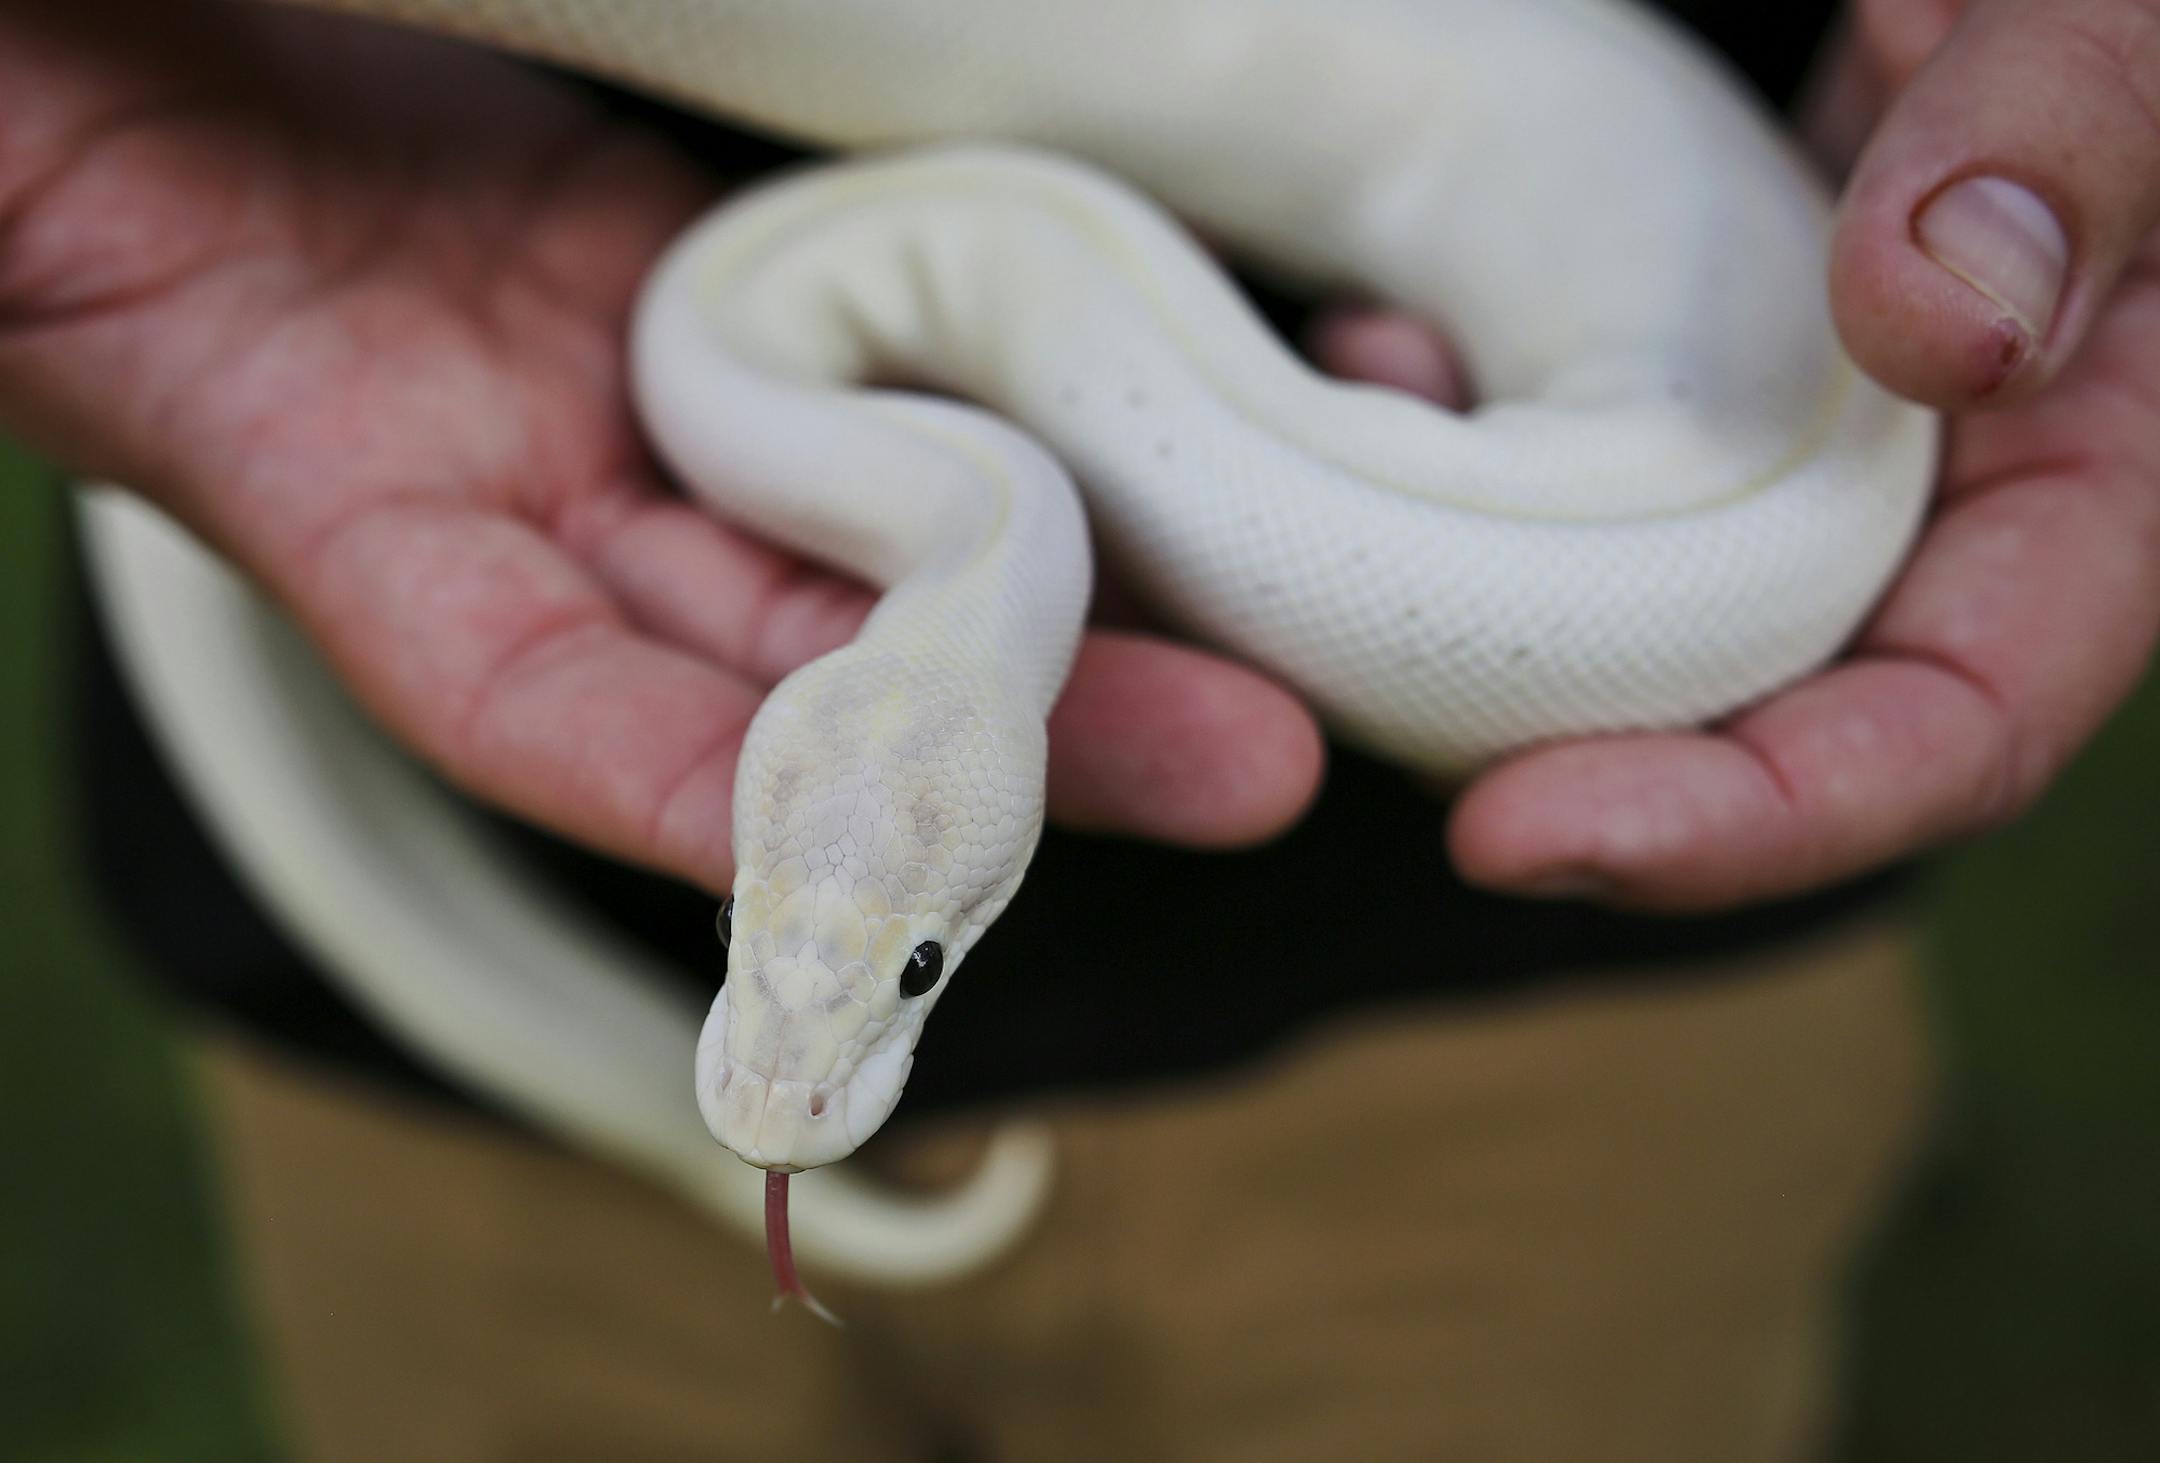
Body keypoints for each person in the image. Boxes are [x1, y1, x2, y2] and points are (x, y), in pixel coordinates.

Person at [6, 0, 2156, 1458]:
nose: (836, 1016)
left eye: (907, 961)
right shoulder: (907, 508)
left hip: (1512, 1062)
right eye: (853, 940)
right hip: (447, 1099)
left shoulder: (815, 423)